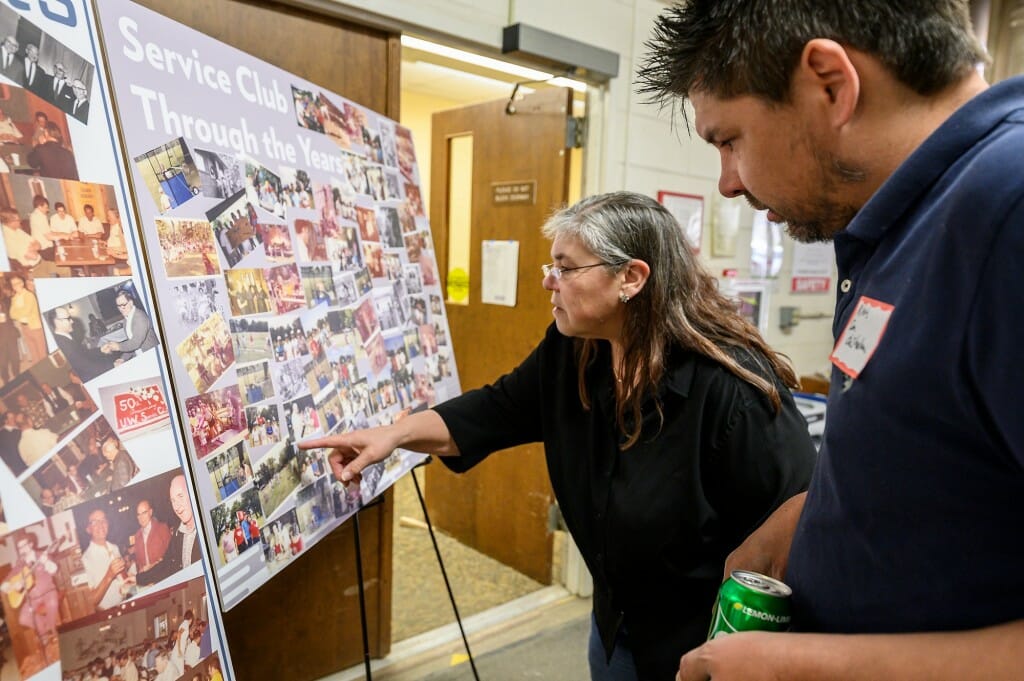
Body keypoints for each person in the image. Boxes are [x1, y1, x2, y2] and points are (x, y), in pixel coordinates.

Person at [639, 2, 1024, 680]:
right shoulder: (908, 221)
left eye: (729, 140)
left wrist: (810, 665)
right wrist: (816, 515)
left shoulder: (1006, 208)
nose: (727, 182)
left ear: (829, 84)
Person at [301, 191, 816, 680]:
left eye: (566, 268)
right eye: (552, 266)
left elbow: (799, 532)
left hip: (707, 646)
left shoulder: (733, 393)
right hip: (616, 625)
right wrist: (393, 435)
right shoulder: (576, 349)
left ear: (631, 278)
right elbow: (495, 409)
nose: (550, 281)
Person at [0, 534, 59, 663]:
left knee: (53, 604)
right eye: (19, 547)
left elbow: (54, 569)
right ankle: (45, 631)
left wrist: (46, 562)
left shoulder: (42, 555)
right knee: (23, 618)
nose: (22, 550)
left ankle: (51, 633)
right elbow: (3, 585)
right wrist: (12, 586)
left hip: (48, 592)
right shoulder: (19, 564)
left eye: (24, 545)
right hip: (32, 598)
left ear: (31, 545)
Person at [136, 474, 201, 585]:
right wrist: (139, 578)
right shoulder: (178, 533)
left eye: (180, 496)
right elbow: (167, 564)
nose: (177, 506)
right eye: (173, 501)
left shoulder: (205, 529)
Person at [81, 509, 134, 611]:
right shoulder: (85, 560)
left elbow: (123, 580)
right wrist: (110, 575)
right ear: (88, 529)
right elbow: (91, 601)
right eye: (95, 522)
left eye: (103, 520)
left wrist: (131, 576)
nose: (100, 525)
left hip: (125, 603)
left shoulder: (114, 548)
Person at [47, 306, 115, 382]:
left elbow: (84, 353)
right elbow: (85, 366)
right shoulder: (61, 343)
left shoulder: (66, 337)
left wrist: (101, 350)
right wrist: (113, 366)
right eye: (68, 318)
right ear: (58, 322)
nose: (72, 321)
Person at [101, 291, 159, 358]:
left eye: (123, 305)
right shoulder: (126, 320)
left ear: (131, 303)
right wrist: (123, 358)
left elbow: (135, 343)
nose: (121, 309)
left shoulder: (140, 317)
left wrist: (118, 346)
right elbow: (130, 343)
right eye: (118, 306)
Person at [9, 273, 46, 363]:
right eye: (13, 284)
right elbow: (11, 314)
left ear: (22, 283)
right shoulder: (14, 298)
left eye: (17, 283)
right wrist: (19, 313)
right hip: (24, 327)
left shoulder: (29, 295)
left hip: (35, 327)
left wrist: (18, 312)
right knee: (33, 352)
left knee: (42, 353)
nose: (15, 286)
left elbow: (26, 311)